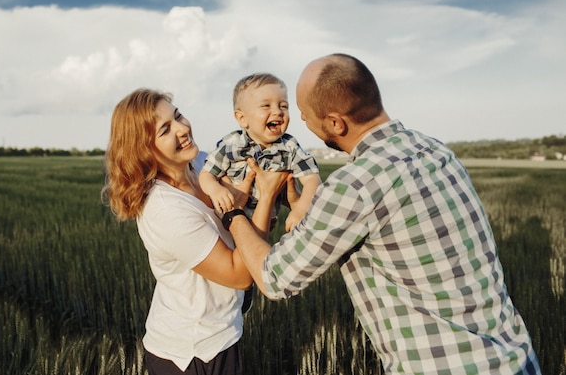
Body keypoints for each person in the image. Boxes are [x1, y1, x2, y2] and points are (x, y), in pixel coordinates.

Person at [225, 54, 541, 374]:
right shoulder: (434, 149)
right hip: (515, 358)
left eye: (305, 116)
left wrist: (235, 212)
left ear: (336, 123)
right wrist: (301, 203)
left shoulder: (356, 184)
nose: (300, 122)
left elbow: (274, 277)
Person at [101, 88, 286, 374]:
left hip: (223, 331)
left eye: (177, 116)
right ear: (143, 149)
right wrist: (266, 198)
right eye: (165, 130)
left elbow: (247, 222)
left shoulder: (202, 164)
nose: (182, 128)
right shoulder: (165, 210)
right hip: (191, 353)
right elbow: (241, 275)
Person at [199, 72, 321, 233]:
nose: (278, 111)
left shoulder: (289, 147)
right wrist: (216, 189)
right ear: (242, 118)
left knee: (259, 254)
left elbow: (313, 178)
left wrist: (300, 209)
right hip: (226, 222)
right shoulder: (231, 145)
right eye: (266, 106)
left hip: (263, 224)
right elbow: (206, 175)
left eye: (283, 106)